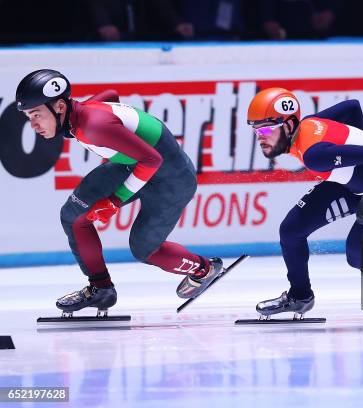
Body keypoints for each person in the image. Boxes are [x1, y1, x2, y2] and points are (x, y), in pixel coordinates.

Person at [15, 69, 223, 314]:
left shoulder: (94, 126)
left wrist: (114, 200)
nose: (33, 125)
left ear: (60, 106)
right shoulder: (79, 114)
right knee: (73, 216)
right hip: (131, 164)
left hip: (171, 178)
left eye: (36, 114)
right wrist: (120, 139)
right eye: (29, 116)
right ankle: (100, 289)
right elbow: (111, 95)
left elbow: (152, 160)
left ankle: (204, 269)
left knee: (144, 249)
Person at [246, 87, 363, 318]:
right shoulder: (308, 124)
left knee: (356, 256)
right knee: (291, 230)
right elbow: (352, 105)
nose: (260, 137)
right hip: (350, 186)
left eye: (266, 128)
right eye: (256, 130)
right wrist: (352, 156)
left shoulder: (315, 155)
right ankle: (300, 296)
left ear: (288, 126)